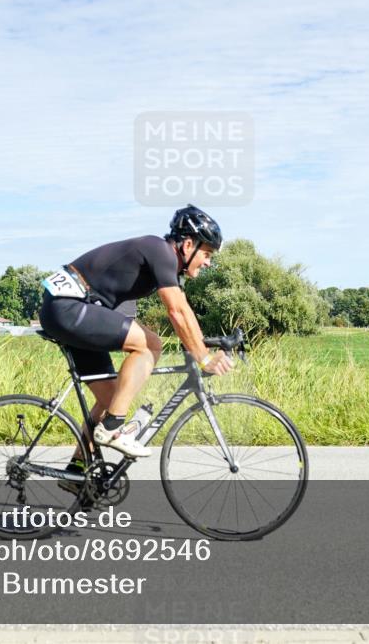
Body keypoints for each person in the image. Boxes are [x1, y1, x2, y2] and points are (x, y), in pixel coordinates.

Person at [38, 205, 235, 478]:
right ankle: (112, 429)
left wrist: (203, 344)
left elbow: (185, 310)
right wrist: (203, 358)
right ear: (189, 245)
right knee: (151, 344)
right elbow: (176, 311)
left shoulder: (165, 262)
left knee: (111, 398)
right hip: (68, 308)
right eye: (207, 254)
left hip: (72, 309)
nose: (208, 262)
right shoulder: (160, 251)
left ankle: (78, 470)